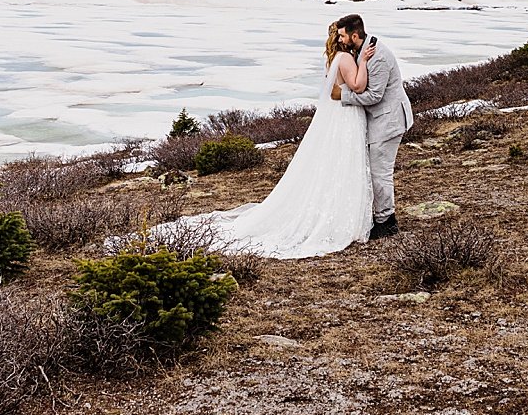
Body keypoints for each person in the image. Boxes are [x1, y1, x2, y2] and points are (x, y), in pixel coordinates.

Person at [177, 17, 380, 258]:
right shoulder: (346, 58)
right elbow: (357, 86)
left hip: (338, 114)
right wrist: (364, 61)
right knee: (344, 161)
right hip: (346, 116)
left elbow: (337, 89)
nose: (342, 38)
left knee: (333, 161)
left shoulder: (332, 59)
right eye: (341, 35)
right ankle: (342, 215)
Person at [333, 13, 415, 240]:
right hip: (381, 119)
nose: (340, 40)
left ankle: (386, 222)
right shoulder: (363, 51)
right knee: (378, 171)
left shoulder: (377, 56)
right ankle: (383, 217)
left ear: (355, 35)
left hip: (389, 120)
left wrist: (343, 95)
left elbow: (374, 96)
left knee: (381, 172)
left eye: (342, 36)